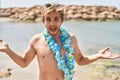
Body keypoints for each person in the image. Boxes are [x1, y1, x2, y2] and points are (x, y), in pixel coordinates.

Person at [0, 3, 120, 80]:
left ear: (61, 20)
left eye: (56, 19)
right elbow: (24, 63)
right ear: (43, 21)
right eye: (48, 19)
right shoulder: (37, 40)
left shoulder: (71, 38)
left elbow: (80, 60)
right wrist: (8, 50)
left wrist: (98, 55)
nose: (52, 23)